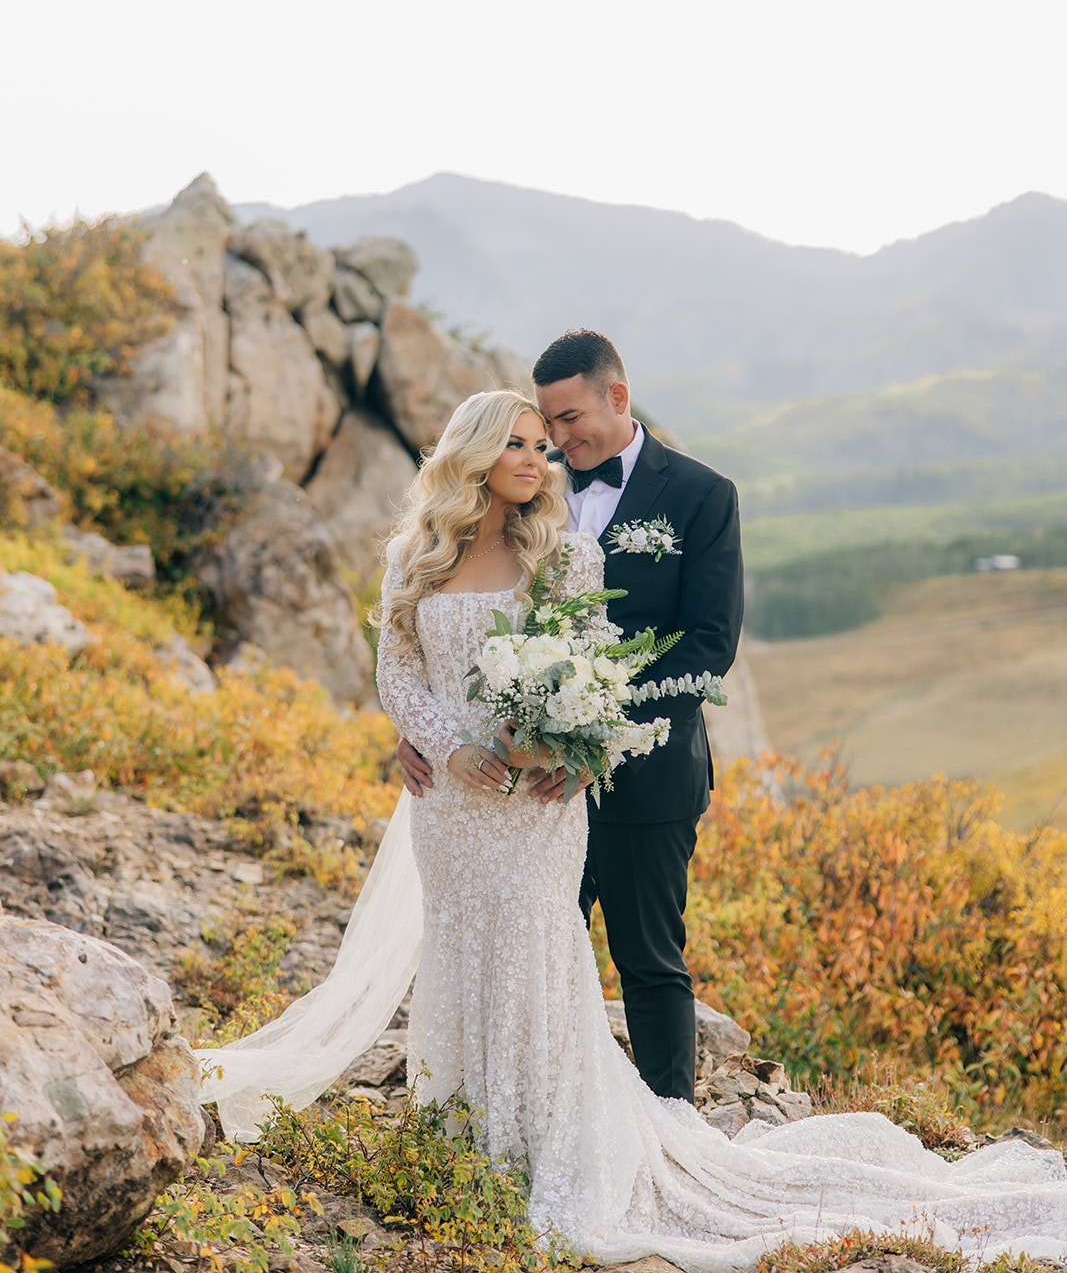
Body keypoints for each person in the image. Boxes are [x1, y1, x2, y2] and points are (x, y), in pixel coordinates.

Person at [203, 387, 1067, 1267]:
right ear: (470, 454)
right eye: (518, 445)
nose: (537, 461)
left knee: (539, 941)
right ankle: (458, 1132)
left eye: (544, 446)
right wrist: (444, 745)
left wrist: (559, 746)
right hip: (450, 803)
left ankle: (544, 1143)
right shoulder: (410, 555)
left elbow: (587, 676)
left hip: (536, 801)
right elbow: (397, 668)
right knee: (459, 941)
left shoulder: (564, 556)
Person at [399, 329, 743, 1103]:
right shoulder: (525, 490)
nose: (555, 441)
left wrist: (588, 732)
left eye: (568, 419)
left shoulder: (700, 495)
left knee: (647, 957)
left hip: (643, 774)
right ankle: (530, 1117)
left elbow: (707, 647)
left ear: (616, 398)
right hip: (516, 795)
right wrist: (428, 726)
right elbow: (455, 630)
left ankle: (667, 1121)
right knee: (530, 956)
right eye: (544, 425)